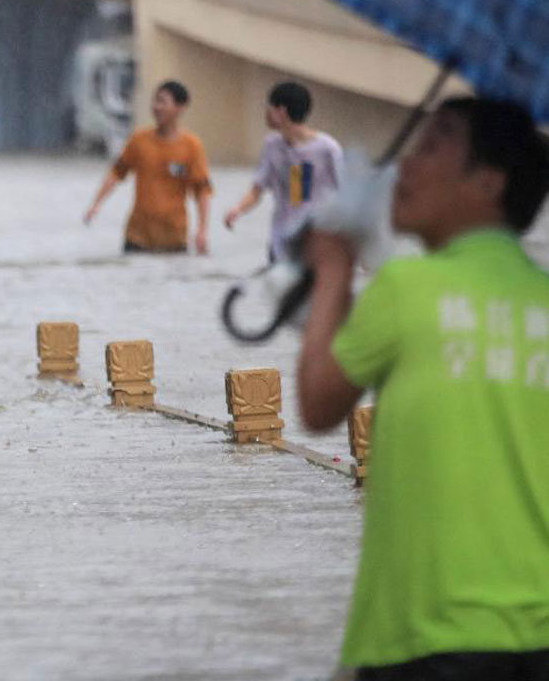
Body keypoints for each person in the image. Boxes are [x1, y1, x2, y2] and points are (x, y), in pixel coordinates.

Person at [297, 97, 549, 678]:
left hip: (426, 635)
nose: (407, 164)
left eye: (434, 144)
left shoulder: (408, 286)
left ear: (488, 182)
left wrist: (333, 269)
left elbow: (318, 402)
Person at [84, 80, 213, 254]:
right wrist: (96, 204)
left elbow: (202, 190)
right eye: (155, 101)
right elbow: (117, 172)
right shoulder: (139, 140)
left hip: (174, 239)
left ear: (180, 108)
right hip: (137, 238)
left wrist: (202, 230)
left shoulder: (192, 147)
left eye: (163, 102)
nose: (156, 107)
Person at [224, 82, 343, 262]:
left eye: (268, 107)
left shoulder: (327, 149)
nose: (265, 113)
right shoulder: (272, 146)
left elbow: (348, 197)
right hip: (280, 244)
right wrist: (238, 210)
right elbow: (257, 189)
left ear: (281, 112)